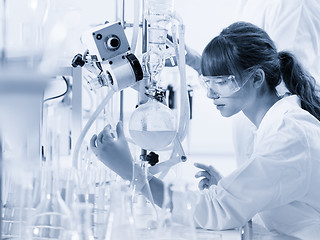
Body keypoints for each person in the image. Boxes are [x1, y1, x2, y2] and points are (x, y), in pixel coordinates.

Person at [90, 22, 320, 239]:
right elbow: (281, 198)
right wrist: (233, 189)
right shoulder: (281, 124)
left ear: (257, 78)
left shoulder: (289, 136)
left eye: (221, 82)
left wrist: (131, 173)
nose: (210, 94)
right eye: (208, 83)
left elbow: (215, 211)